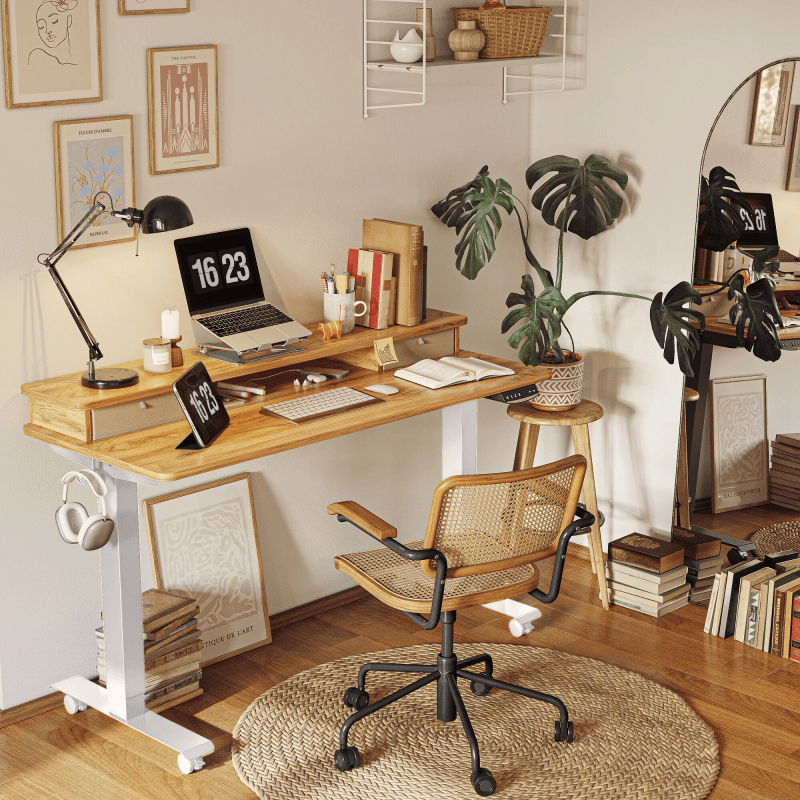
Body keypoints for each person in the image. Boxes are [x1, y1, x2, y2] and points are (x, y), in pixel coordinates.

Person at [28, 0, 79, 67]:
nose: (47, 30)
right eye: (41, 26)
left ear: (68, 20)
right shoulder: (37, 56)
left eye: (54, 20)